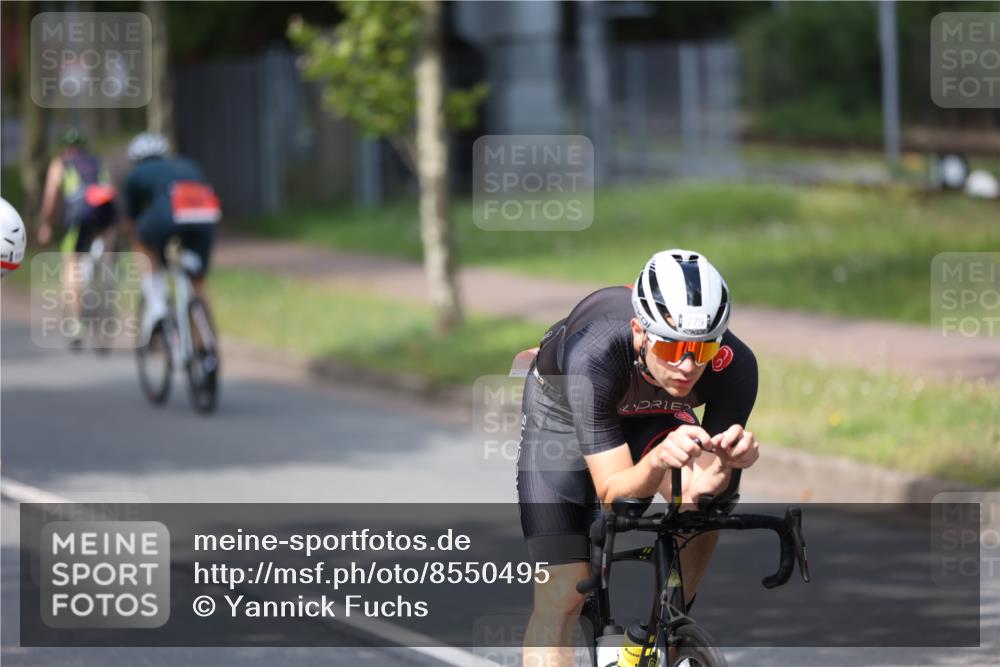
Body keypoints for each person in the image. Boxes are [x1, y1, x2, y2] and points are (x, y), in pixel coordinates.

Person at [516, 249, 760, 667]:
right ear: (639, 331)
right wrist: (655, 462)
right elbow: (614, 494)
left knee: (706, 506)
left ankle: (667, 626)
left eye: (701, 350)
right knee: (563, 591)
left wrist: (725, 464)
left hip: (652, 410)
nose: (686, 365)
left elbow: (700, 490)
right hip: (562, 415)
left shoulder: (735, 369)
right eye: (672, 347)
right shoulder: (594, 352)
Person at [122, 132, 220, 342]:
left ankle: (157, 307)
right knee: (197, 281)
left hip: (171, 210)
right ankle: (206, 347)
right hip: (206, 213)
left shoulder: (137, 174)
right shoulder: (188, 164)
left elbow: (131, 221)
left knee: (140, 241)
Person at [37, 127, 118, 345]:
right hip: (105, 210)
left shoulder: (60, 163)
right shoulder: (98, 161)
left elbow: (51, 197)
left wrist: (46, 225)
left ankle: (76, 323)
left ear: (64, 147)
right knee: (106, 249)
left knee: (72, 264)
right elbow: (110, 188)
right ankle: (106, 272)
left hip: (80, 212)